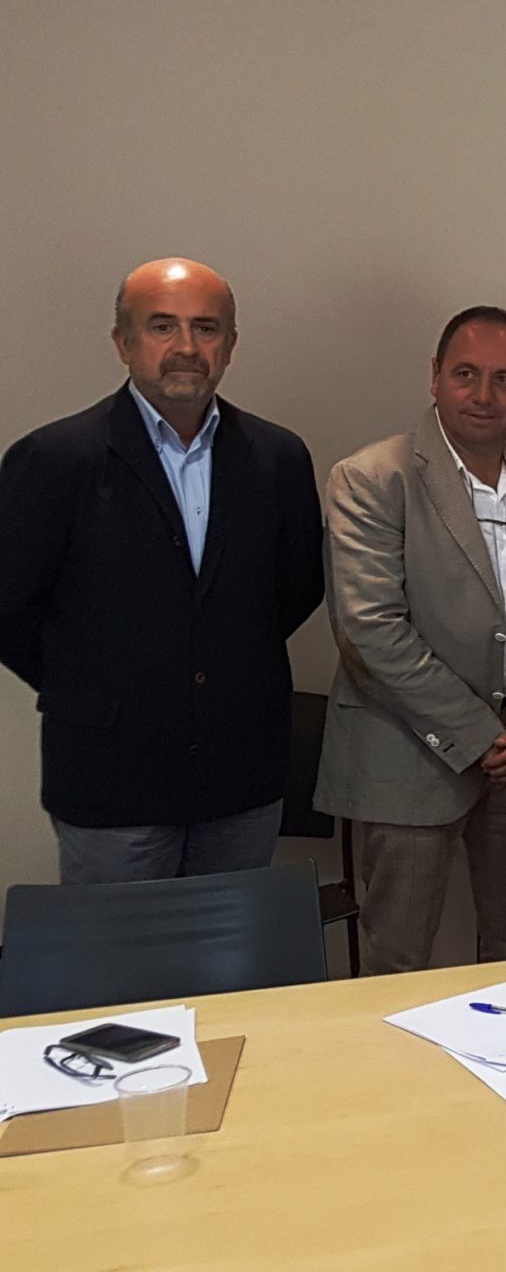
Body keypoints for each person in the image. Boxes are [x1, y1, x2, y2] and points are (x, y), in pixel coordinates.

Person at [0, 258, 323, 883]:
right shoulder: (54, 460)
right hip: (110, 777)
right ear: (123, 342)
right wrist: (96, 685)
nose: (186, 348)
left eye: (206, 328)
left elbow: (297, 587)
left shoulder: (278, 458)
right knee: (117, 947)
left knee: (232, 948)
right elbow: (9, 608)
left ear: (230, 345)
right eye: (162, 326)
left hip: (240, 776)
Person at [315, 307, 506, 974]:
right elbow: (369, 630)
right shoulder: (372, 477)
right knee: (397, 964)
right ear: (435, 377)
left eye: (505, 379)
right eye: (466, 374)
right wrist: (479, 736)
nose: (484, 394)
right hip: (408, 755)